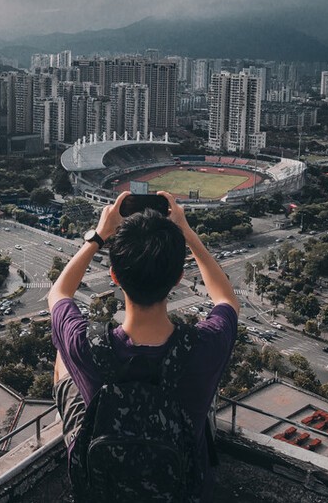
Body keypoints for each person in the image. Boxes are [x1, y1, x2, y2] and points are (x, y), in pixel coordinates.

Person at [49, 190, 239, 501]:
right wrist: (188, 234)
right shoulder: (204, 346)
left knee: (63, 353)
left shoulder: (87, 346)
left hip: (102, 487)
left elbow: (58, 295)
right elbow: (226, 300)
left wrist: (98, 236)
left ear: (114, 276)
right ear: (178, 278)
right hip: (183, 490)